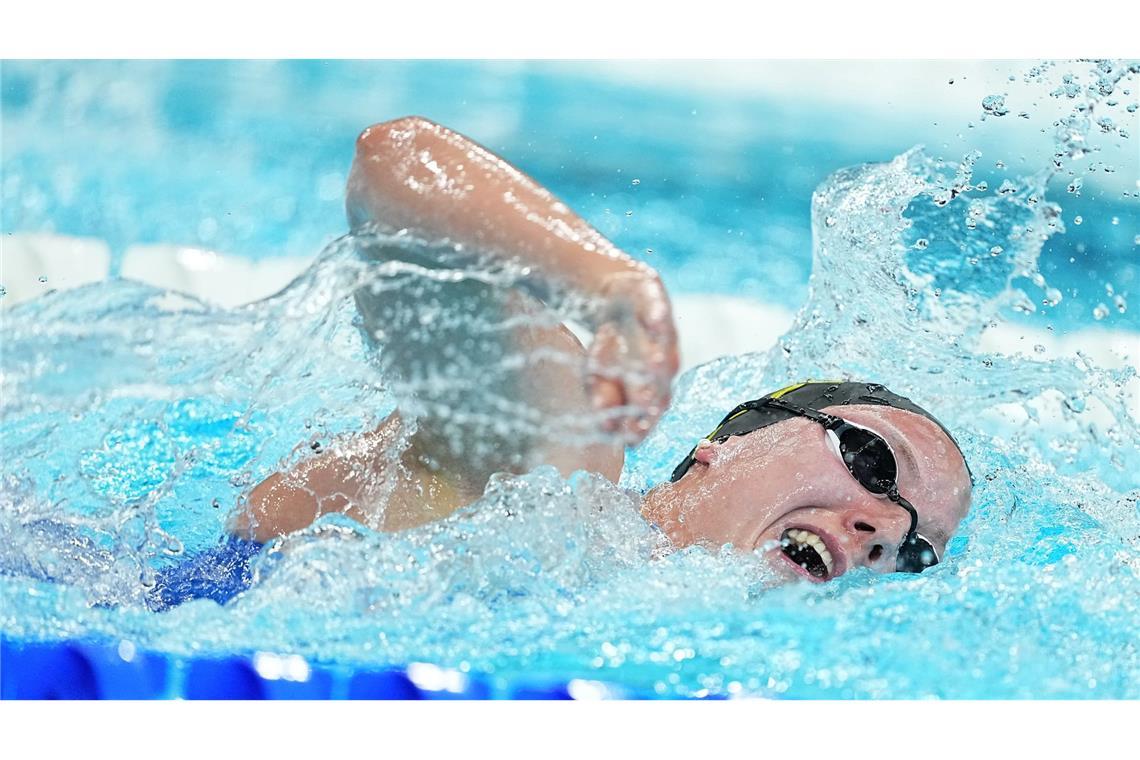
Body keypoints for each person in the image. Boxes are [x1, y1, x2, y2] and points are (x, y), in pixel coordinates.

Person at [150, 117, 972, 610]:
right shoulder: (554, 476)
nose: (885, 530)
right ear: (718, 448)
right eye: (869, 459)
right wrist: (607, 286)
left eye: (916, 553)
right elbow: (394, 166)